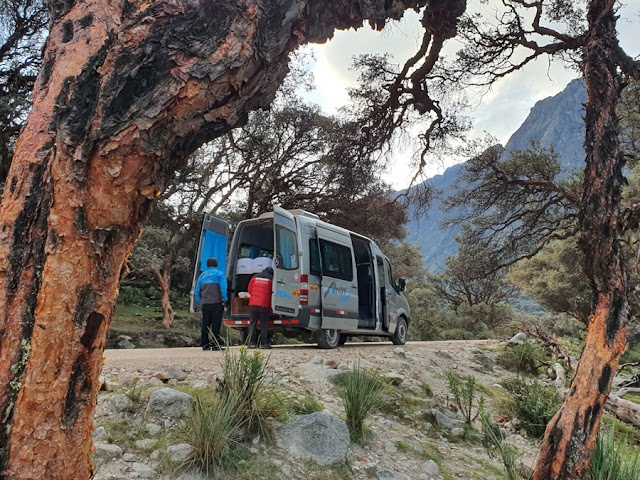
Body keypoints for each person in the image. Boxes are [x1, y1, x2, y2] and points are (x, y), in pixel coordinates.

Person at [195, 257, 228, 350]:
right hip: (217, 303)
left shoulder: (202, 276)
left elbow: (197, 292)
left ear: (207, 265)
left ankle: (205, 344)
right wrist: (224, 300)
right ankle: (215, 344)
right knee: (216, 324)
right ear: (216, 265)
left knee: (205, 324)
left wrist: (201, 301)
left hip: (205, 304)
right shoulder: (219, 274)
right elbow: (223, 289)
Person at [248, 266, 273, 348]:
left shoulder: (254, 277)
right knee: (264, 324)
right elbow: (273, 292)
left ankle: (252, 343)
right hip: (264, 304)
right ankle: (264, 344)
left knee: (253, 324)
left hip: (253, 304)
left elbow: (249, 290)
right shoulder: (271, 279)